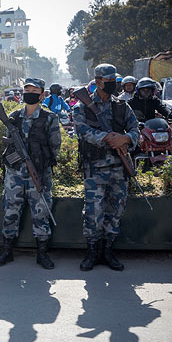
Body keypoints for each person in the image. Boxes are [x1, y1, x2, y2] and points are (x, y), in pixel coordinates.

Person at [74, 64, 140, 272]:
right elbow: (82, 130)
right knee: (93, 212)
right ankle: (93, 251)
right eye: (109, 82)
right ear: (98, 82)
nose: (113, 85)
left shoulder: (122, 106)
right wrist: (106, 138)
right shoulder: (82, 106)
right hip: (95, 168)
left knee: (116, 209)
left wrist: (125, 138)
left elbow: (135, 128)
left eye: (115, 82)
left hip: (119, 168)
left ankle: (109, 251)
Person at [0, 78, 61, 269]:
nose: (29, 92)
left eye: (34, 89)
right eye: (26, 89)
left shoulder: (50, 118)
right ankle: (7, 251)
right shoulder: (14, 116)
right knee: (10, 211)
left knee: (41, 212)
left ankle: (42, 254)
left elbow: (55, 146)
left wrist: (39, 161)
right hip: (15, 174)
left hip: (39, 173)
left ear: (41, 94)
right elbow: (9, 142)